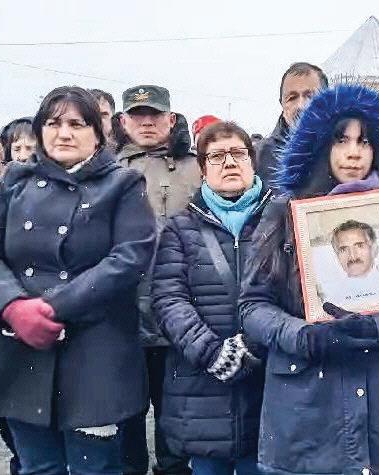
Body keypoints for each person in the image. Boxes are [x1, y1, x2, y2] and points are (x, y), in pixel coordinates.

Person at [239, 83, 379, 475]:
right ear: (321, 144)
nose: (354, 153)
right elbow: (252, 305)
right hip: (307, 404)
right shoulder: (285, 211)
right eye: (341, 140)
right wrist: (303, 335)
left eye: (364, 141)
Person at [0, 86, 156, 474]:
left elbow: (129, 258)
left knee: (95, 467)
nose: (63, 133)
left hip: (94, 353)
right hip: (23, 350)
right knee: (37, 467)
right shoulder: (13, 183)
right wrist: (12, 307)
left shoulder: (123, 184)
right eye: (53, 123)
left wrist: (52, 307)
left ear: (97, 133)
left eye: (76, 124)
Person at [152, 121, 270, 475]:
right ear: (203, 169)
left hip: (266, 383)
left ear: (252, 162)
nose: (229, 162)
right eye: (217, 156)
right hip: (201, 383)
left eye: (238, 153)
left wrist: (256, 343)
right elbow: (169, 299)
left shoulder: (279, 220)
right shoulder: (179, 228)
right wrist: (212, 352)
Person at [118, 84, 200, 475]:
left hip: (180, 312)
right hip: (124, 316)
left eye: (155, 114)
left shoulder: (197, 167)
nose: (147, 122)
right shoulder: (109, 169)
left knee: (176, 415)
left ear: (171, 118)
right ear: (123, 122)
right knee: (126, 413)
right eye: (138, 115)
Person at [255, 62, 328, 186]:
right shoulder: (258, 157)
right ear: (282, 104)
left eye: (310, 96)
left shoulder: (351, 150)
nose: (301, 105)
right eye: (292, 98)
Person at [317, 220, 379, 305]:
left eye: (359, 246)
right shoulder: (330, 298)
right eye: (343, 249)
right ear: (337, 255)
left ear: (374, 249)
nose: (352, 256)